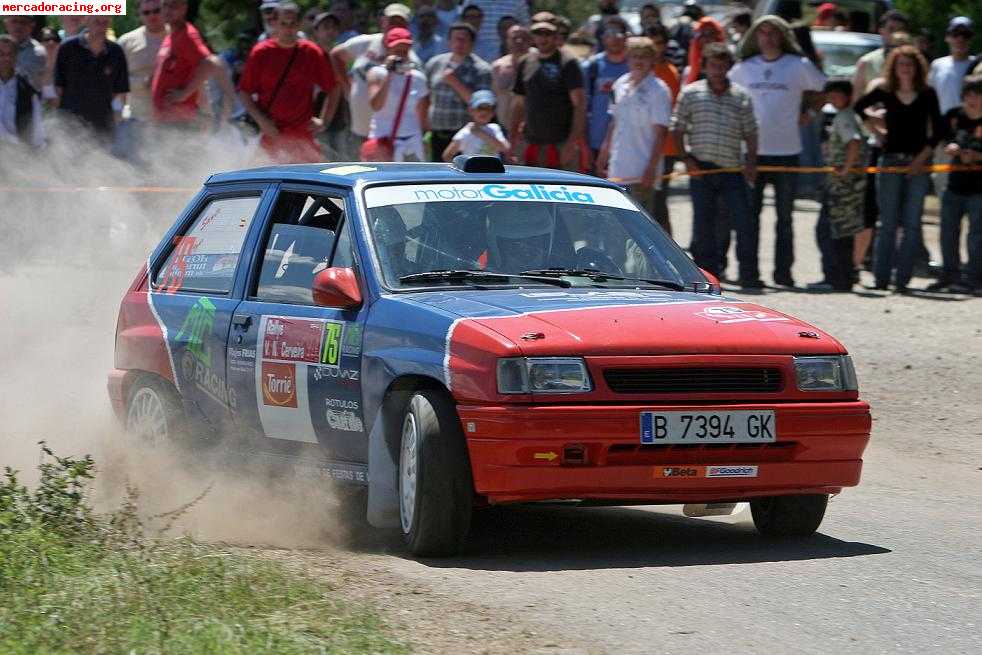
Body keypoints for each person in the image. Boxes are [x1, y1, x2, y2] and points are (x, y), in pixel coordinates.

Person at [730, 15, 826, 288]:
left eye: (774, 33)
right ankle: (749, 274)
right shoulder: (744, 68)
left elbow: (822, 87)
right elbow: (726, 93)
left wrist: (809, 110)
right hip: (752, 153)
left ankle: (783, 274)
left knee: (785, 218)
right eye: (763, 33)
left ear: (783, 36)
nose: (769, 38)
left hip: (787, 151)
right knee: (750, 217)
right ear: (755, 37)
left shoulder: (798, 65)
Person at [855, 45, 944, 292]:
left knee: (912, 222)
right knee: (888, 222)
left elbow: (937, 131)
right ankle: (881, 278)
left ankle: (902, 279)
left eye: (909, 64)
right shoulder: (885, 91)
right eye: (901, 64)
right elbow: (858, 107)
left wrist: (921, 159)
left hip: (918, 163)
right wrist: (877, 131)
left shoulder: (927, 94)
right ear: (893, 67)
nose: (905, 69)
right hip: (890, 161)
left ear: (917, 68)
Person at [672, 42, 758, 285]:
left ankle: (748, 274)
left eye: (722, 66)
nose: (717, 71)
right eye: (713, 66)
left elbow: (751, 132)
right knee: (703, 223)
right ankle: (706, 275)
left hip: (732, 169)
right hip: (701, 167)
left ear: (728, 67)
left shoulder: (741, 97)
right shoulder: (691, 93)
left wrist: (751, 161)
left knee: (742, 222)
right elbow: (677, 127)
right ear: (705, 67)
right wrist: (686, 159)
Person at [238, 1, 338, 163]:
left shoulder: (311, 52)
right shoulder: (261, 52)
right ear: (274, 24)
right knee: (264, 182)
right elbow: (244, 92)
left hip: (303, 137)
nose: (288, 29)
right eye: (284, 23)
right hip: (271, 134)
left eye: (293, 23)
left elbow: (333, 88)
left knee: (308, 186)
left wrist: (324, 121)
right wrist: (262, 122)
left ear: (299, 24)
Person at [596, 36, 672, 231]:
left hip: (642, 173)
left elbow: (661, 133)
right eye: (634, 56)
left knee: (643, 231)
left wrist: (651, 169)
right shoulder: (619, 84)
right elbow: (614, 122)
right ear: (627, 58)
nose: (639, 61)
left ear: (653, 60)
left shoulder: (659, 90)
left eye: (644, 56)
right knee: (618, 229)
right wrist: (603, 155)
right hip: (617, 170)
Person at [329, 3, 419, 157]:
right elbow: (336, 54)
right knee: (354, 168)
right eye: (391, 21)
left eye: (400, 22)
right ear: (383, 21)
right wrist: (347, 87)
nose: (394, 25)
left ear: (407, 26)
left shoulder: (410, 58)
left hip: (388, 133)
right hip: (359, 125)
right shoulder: (365, 42)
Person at [810, 79, 866, 292]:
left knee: (830, 232)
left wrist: (845, 168)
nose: (832, 99)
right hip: (847, 186)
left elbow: (853, 142)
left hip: (842, 188)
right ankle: (843, 277)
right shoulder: (848, 116)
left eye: (836, 95)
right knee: (842, 233)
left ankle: (835, 276)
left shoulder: (844, 118)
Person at [511, 20, 588, 170]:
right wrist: (512, 139)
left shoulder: (568, 63)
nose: (542, 38)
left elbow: (579, 106)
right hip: (530, 142)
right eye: (538, 34)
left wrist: (572, 143)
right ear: (533, 37)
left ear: (555, 37)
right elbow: (518, 103)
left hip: (561, 142)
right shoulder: (525, 62)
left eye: (547, 34)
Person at [929, 74, 982, 293]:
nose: (973, 99)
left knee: (976, 235)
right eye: (969, 94)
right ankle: (949, 275)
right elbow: (942, 138)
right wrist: (952, 147)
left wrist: (976, 157)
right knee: (947, 232)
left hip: (979, 188)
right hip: (955, 184)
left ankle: (974, 278)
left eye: (978, 95)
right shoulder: (954, 116)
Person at [151, 0, 233, 129]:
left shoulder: (188, 35)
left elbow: (211, 62)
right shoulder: (171, 35)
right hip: (166, 119)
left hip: (181, 121)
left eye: (173, 6)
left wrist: (184, 93)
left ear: (184, 8)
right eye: (164, 5)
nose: (167, 10)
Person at [424, 22, 492, 162]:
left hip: (465, 135)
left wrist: (454, 81)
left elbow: (481, 106)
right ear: (449, 41)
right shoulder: (434, 63)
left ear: (472, 43)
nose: (459, 43)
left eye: (464, 39)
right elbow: (426, 97)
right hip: (436, 133)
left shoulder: (481, 69)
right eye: (456, 39)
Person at [54, 16, 129, 138]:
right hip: (71, 126)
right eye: (97, 22)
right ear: (86, 20)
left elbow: (120, 92)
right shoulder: (67, 48)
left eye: (105, 22)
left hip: (103, 126)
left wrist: (116, 118)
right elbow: (59, 89)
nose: (101, 27)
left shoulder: (116, 52)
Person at [929, 17, 976, 201]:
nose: (960, 39)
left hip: (974, 136)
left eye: (965, 35)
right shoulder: (938, 65)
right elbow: (930, 101)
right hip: (944, 135)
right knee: (943, 182)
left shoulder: (977, 66)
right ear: (947, 37)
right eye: (955, 34)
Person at [365, 27, 429, 161]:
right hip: (383, 141)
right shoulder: (376, 73)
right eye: (397, 51)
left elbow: (422, 114)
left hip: (412, 140)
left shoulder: (418, 78)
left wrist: (425, 139)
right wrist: (389, 74)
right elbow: (376, 105)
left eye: (405, 51)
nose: (401, 55)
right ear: (388, 50)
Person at [646, 22, 681, 233]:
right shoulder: (637, 70)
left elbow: (672, 110)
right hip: (640, 143)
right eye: (651, 43)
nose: (655, 48)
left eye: (659, 43)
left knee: (659, 204)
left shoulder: (669, 72)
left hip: (664, 147)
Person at [582, 16, 630, 160]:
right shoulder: (592, 66)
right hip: (596, 141)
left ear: (626, 36)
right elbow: (583, 108)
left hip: (627, 143)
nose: (614, 38)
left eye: (618, 32)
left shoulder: (635, 65)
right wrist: (583, 144)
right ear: (602, 38)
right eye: (608, 33)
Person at [118, 0, 167, 121]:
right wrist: (143, 82)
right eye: (146, 12)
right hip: (138, 118)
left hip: (173, 119)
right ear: (139, 15)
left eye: (157, 11)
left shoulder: (178, 36)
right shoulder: (126, 41)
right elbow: (116, 80)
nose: (152, 15)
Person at [0, 34, 45, 148]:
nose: (6, 58)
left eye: (10, 54)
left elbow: (37, 128)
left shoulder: (27, 90)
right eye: (1, 54)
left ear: (16, 57)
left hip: (16, 154)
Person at [442, 89, 508, 160]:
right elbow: (447, 155)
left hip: (494, 170)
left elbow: (504, 148)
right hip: (471, 170)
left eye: (488, 108)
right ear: (471, 110)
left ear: (493, 112)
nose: (484, 112)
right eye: (480, 108)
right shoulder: (465, 132)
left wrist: (480, 133)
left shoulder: (495, 128)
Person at [491, 23, 530, 144]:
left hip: (529, 129)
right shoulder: (498, 66)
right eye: (514, 38)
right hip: (503, 128)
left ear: (530, 41)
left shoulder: (537, 63)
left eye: (523, 38)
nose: (519, 41)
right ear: (507, 41)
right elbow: (493, 98)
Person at [462, 0, 528, 65]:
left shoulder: (518, 2)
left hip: (510, 59)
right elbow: (463, 27)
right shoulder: (470, 1)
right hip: (478, 58)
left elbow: (525, 28)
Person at [3, 15, 46, 91]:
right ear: (6, 24)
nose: (18, 26)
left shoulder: (41, 53)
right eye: (14, 21)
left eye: (23, 22)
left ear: (32, 26)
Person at [684, 16, 724, 84]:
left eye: (711, 34)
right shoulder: (688, 71)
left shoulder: (727, 68)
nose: (707, 39)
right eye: (702, 34)